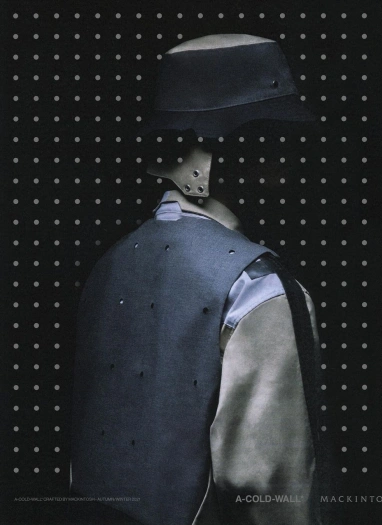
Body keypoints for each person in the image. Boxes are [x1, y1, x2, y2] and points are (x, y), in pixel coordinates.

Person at [70, 34, 327, 525]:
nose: (287, 163)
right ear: (220, 149)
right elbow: (272, 489)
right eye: (271, 139)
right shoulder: (257, 287)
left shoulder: (108, 265)